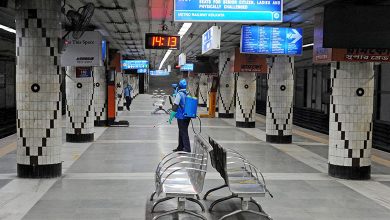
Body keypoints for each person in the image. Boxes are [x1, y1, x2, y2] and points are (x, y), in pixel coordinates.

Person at [169, 79, 191, 152]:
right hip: (187, 116)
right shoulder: (187, 93)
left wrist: (171, 116)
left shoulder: (179, 94)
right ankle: (180, 147)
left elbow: (175, 105)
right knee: (182, 131)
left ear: (179, 86)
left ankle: (187, 149)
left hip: (181, 116)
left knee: (183, 131)